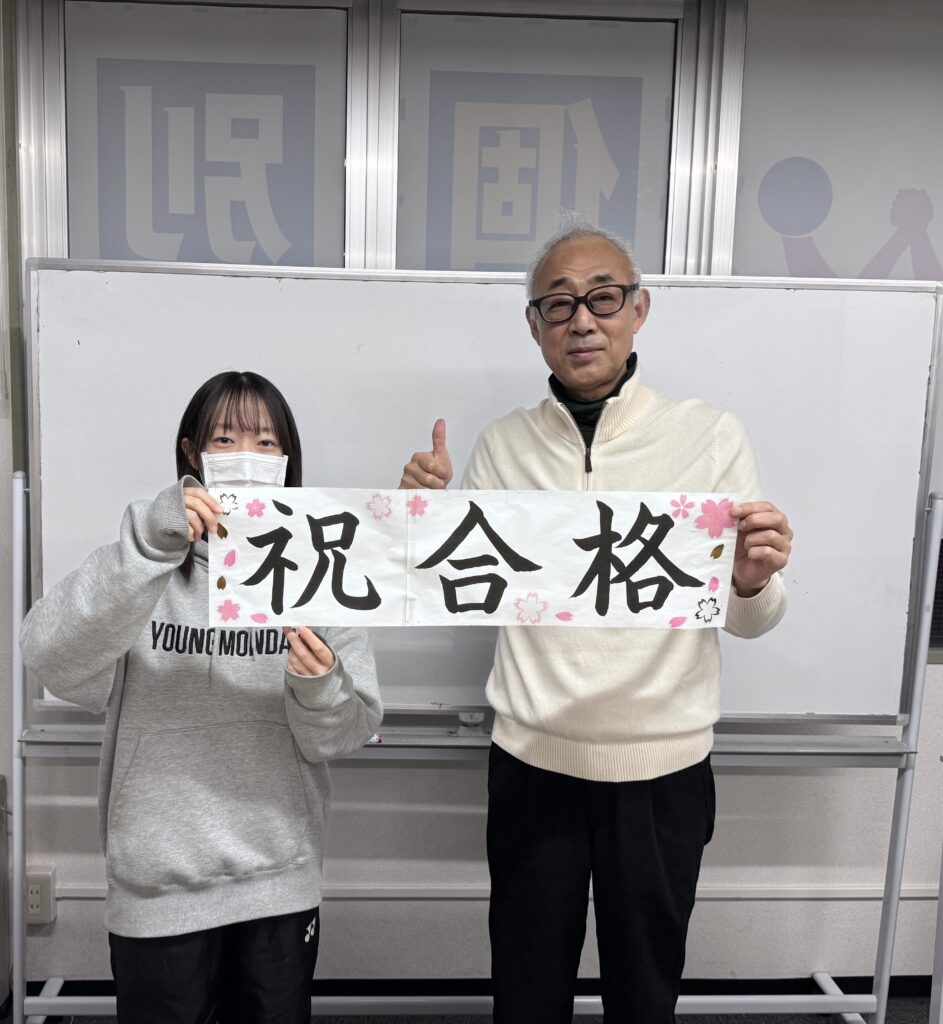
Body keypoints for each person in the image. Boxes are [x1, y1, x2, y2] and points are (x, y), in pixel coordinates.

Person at [400, 214, 793, 1023]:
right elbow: (453, 587)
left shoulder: (708, 436)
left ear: (637, 309)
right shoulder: (502, 445)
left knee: (644, 993)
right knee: (526, 990)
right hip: (532, 760)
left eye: (602, 297)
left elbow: (749, 619)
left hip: (662, 767)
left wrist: (750, 582)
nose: (581, 320)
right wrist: (419, 520)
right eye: (558, 303)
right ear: (534, 326)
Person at [21, 371, 382, 1024]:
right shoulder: (139, 566)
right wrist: (148, 546)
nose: (247, 455)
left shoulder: (318, 572)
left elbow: (344, 732)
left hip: (278, 883)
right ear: (192, 453)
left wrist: (317, 684)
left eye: (266, 442)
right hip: (157, 891)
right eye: (225, 439)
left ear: (288, 459)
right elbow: (48, 656)